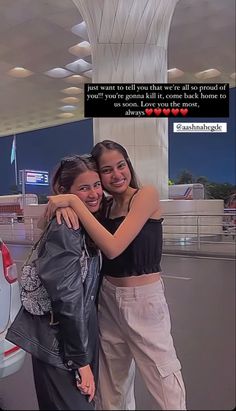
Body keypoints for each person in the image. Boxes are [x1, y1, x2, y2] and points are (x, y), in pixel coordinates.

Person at [45, 140, 187, 410]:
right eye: (107, 170)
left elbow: (112, 247)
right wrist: (66, 206)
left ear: (128, 165)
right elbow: (48, 221)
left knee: (164, 378)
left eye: (121, 166)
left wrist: (73, 201)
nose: (117, 175)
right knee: (112, 387)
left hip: (145, 301)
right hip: (108, 300)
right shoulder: (105, 208)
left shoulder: (145, 196)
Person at [6, 154, 103, 410]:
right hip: (61, 343)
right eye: (83, 188)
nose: (94, 193)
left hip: (74, 339)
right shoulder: (66, 227)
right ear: (64, 191)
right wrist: (80, 361)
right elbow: (66, 298)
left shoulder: (82, 220)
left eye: (97, 185)